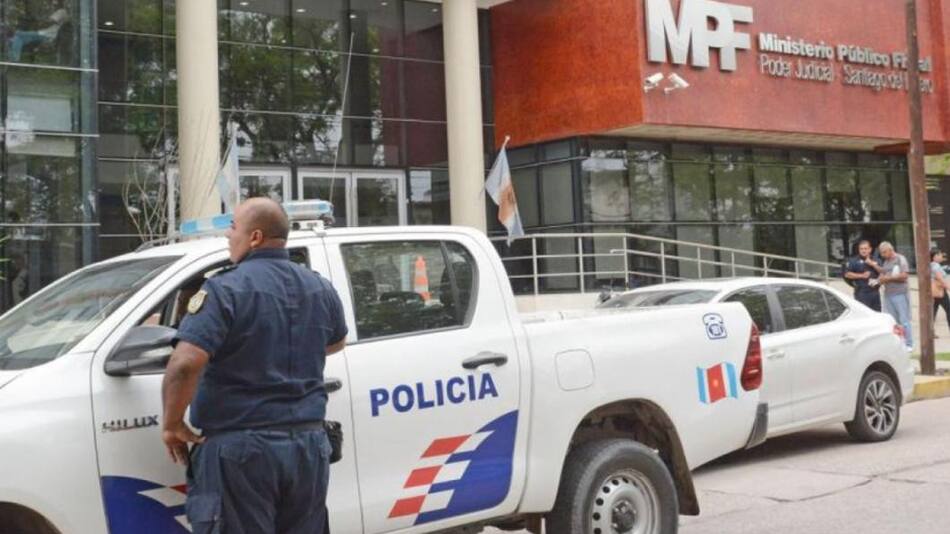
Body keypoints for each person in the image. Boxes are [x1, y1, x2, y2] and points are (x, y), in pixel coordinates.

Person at [161, 198, 347, 534]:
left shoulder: (224, 288)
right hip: (308, 448)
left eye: (233, 227)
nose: (228, 236)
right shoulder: (319, 286)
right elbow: (335, 342)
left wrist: (172, 424)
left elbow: (185, 364)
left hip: (242, 453)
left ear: (256, 237)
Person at [868, 241, 912, 351]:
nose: (882, 255)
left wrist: (887, 279)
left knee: (904, 320)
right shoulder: (886, 261)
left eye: (884, 252)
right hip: (888, 294)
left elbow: (904, 276)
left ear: (890, 250)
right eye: (881, 253)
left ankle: (909, 344)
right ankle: (899, 343)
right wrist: (877, 279)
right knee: (893, 321)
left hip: (900, 294)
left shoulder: (900, 259)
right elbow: (884, 272)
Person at [844, 240, 882, 311]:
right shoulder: (853, 261)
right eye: (861, 249)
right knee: (864, 315)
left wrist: (872, 264)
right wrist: (862, 275)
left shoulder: (876, 259)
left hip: (875, 292)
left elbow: (883, 272)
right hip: (861, 293)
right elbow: (847, 274)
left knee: (877, 315)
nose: (863, 251)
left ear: (870, 249)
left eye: (865, 248)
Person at [931, 249, 950, 335]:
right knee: (949, 310)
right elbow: (940, 279)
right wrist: (948, 287)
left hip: (934, 293)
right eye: (940, 255)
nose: (941, 256)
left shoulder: (931, 265)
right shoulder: (936, 266)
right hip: (940, 292)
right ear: (935, 256)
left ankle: (930, 332)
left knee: (933, 312)